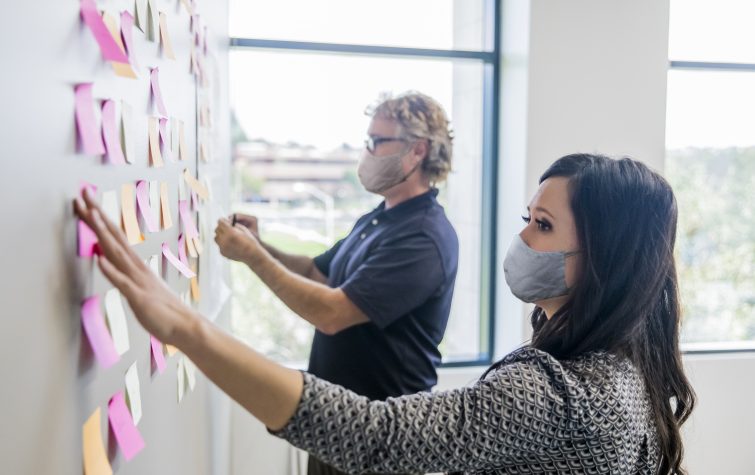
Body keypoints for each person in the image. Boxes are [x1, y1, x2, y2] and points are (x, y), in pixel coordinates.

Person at [73, 153, 696, 474]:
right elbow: (323, 270)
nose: (523, 239)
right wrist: (260, 249)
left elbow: (375, 431)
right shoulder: (624, 367)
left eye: (543, 225)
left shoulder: (557, 391)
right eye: (525, 219)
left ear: (603, 259)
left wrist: (187, 329)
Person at [214, 92, 459, 474]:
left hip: (382, 437)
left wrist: (251, 256)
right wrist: (259, 245)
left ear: (417, 151)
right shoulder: (380, 218)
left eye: (378, 142)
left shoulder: (423, 238)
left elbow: (332, 313)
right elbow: (318, 273)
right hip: (339, 424)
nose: (368, 152)